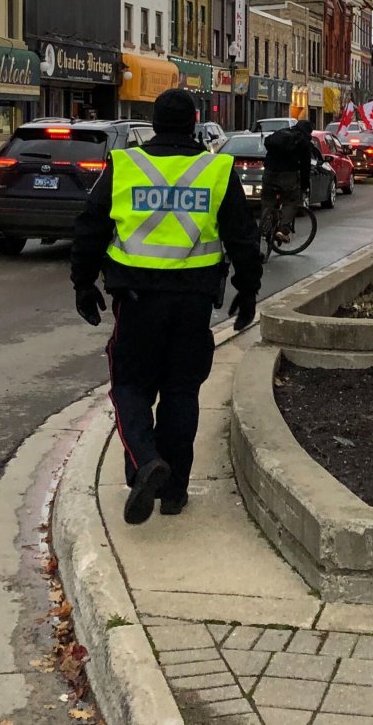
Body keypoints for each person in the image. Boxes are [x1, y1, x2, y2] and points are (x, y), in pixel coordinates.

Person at [70, 89, 262, 525]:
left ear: (154, 123)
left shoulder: (125, 165)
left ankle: (144, 462)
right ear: (194, 123)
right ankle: (173, 492)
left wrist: (83, 283)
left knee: (130, 387)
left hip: (136, 302)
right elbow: (243, 237)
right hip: (194, 303)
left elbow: (90, 226)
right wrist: (248, 291)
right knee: (180, 394)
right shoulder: (214, 169)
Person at [261, 120, 313, 243]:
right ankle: (282, 230)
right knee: (291, 201)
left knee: (267, 199)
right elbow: (306, 166)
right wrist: (304, 186)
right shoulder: (303, 141)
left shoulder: (280, 133)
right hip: (288, 175)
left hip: (269, 172)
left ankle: (264, 225)